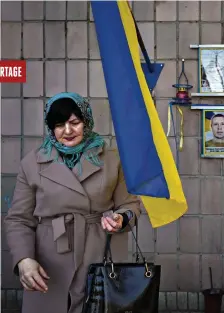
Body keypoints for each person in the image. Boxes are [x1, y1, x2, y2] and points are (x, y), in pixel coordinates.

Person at [4, 92, 141, 313]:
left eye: (74, 123)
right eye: (59, 125)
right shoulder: (32, 162)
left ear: (86, 122)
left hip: (99, 253)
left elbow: (131, 205)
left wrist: (121, 218)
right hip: (49, 259)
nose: (67, 131)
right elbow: (19, 219)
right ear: (51, 128)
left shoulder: (112, 159)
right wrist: (24, 259)